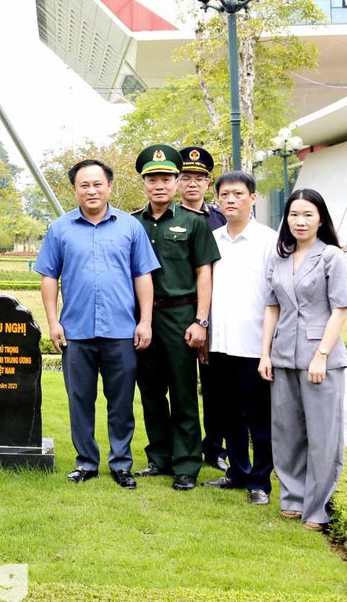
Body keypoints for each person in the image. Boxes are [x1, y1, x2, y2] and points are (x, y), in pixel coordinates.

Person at [35, 159, 159, 487]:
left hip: (121, 331)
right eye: (84, 185)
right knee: (80, 400)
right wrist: (53, 322)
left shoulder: (130, 227)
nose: (91, 190)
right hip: (75, 332)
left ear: (109, 186)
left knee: (121, 402)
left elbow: (142, 275)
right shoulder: (59, 229)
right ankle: (87, 462)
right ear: (74, 189)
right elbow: (49, 277)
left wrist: (145, 321)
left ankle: (121, 464)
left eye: (97, 184)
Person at [258, 189, 347, 531]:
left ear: (320, 219)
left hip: (320, 358)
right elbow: (272, 307)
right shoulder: (279, 257)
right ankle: (293, 499)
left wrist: (321, 356)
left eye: (308, 214)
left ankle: (317, 508)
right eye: (294, 214)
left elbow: (339, 310)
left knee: (323, 436)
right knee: (287, 433)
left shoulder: (332, 257)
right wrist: (265, 353)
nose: (300, 221)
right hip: (283, 355)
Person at [131, 144, 221, 491]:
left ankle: (186, 464)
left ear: (175, 181)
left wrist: (201, 321)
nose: (160, 184)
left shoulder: (193, 223)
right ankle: (159, 458)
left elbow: (204, 274)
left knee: (183, 393)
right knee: (150, 392)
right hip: (142, 318)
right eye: (152, 178)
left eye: (167, 178)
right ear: (144, 183)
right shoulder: (131, 223)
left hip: (180, 316)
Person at [201, 171, 277, 506]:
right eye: (225, 195)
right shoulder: (212, 239)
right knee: (226, 414)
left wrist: (268, 350)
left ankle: (260, 481)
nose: (231, 200)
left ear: (253, 198)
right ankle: (237, 472)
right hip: (219, 344)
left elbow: (276, 297)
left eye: (238, 194)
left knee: (258, 419)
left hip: (254, 345)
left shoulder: (269, 241)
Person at [178, 144, 228, 472]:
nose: (193, 183)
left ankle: (216, 447)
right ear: (177, 181)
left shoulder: (221, 220)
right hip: (178, 314)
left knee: (216, 387)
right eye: (186, 176)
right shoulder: (163, 218)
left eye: (200, 177)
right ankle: (181, 448)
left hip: (216, 315)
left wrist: (207, 321)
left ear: (208, 183)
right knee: (179, 386)